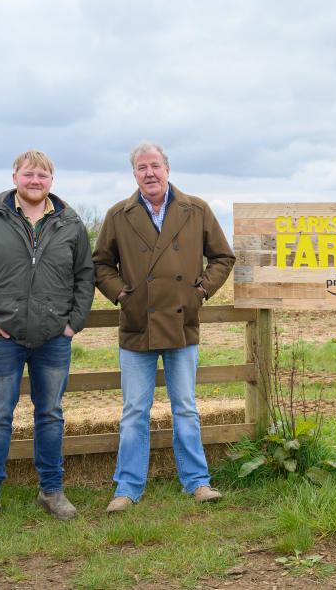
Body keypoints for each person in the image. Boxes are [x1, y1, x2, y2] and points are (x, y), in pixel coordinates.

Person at [93, 141, 235, 513]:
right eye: (141, 167)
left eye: (155, 165)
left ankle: (198, 482)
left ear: (167, 169)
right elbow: (100, 265)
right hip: (137, 325)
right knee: (134, 411)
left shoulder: (196, 209)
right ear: (134, 174)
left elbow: (223, 256)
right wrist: (122, 294)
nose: (149, 173)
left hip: (181, 323)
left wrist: (200, 290)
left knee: (185, 407)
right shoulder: (118, 215)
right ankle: (127, 488)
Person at [0, 150, 95, 527]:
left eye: (43, 176)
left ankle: (51, 491)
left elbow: (85, 276)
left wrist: (73, 323)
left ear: (53, 180)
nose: (36, 181)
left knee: (50, 415)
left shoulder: (69, 222)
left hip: (54, 338)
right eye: (29, 174)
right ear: (15, 176)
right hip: (3, 337)